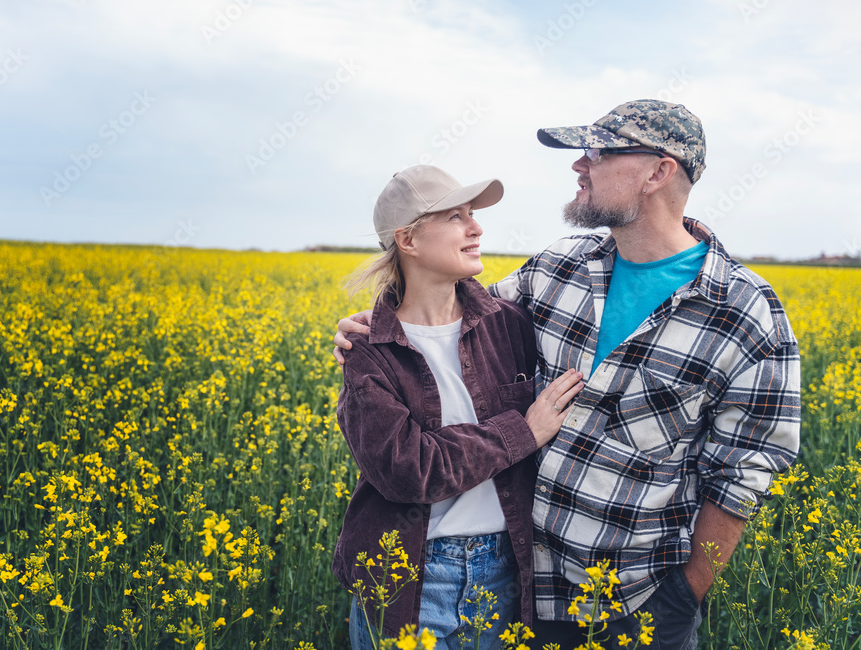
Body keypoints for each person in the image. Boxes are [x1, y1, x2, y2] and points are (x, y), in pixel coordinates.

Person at [335, 100, 801, 649]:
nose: (579, 166)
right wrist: (374, 325)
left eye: (597, 153)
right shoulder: (559, 269)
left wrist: (684, 595)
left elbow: (746, 470)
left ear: (658, 171)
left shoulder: (743, 310)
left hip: (641, 603)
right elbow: (455, 316)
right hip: (527, 589)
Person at [333, 164, 584, 650]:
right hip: (412, 572)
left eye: (473, 215)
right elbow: (408, 471)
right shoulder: (367, 350)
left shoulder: (510, 324)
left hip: (505, 566)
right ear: (407, 239)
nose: (476, 228)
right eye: (455, 217)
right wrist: (522, 433)